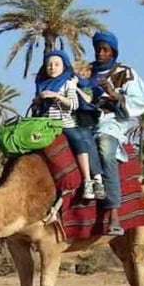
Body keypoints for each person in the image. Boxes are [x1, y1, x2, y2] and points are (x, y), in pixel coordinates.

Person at [79, 30, 144, 236]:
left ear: (113, 52)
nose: (100, 53)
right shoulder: (86, 71)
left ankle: (113, 211)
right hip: (85, 119)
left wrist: (112, 94)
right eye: (97, 49)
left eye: (105, 50)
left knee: (104, 147)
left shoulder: (125, 73)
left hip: (112, 121)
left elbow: (140, 101)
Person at [29, 49, 100, 202]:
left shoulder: (68, 84)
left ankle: (88, 180)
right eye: (49, 64)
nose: (52, 67)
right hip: (46, 125)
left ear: (64, 66)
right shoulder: (42, 85)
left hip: (64, 125)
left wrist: (57, 96)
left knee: (79, 140)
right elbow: (37, 108)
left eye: (56, 64)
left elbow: (73, 105)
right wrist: (38, 100)